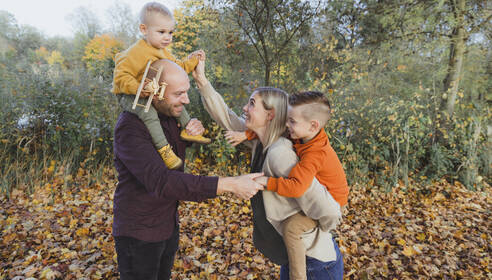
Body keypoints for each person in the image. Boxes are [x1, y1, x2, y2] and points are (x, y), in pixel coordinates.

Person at [112, 59, 264, 280]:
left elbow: (172, 150)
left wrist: (192, 134)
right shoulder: (131, 126)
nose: (186, 99)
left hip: (167, 223)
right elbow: (162, 181)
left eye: (186, 92)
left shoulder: (170, 116)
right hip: (139, 233)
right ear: (155, 92)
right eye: (179, 94)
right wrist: (229, 184)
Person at [192, 60, 344, 279]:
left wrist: (320, 232)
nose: (245, 108)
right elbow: (227, 118)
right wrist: (201, 81)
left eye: (252, 103)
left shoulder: (280, 154)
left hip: (314, 263)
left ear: (270, 115)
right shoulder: (260, 143)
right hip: (293, 258)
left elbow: (329, 210)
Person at [226, 91, 349, 280]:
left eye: (291, 121)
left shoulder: (314, 154)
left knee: (292, 228)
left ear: (313, 125)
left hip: (333, 208)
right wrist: (246, 134)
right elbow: (272, 130)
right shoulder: (303, 135)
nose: (286, 125)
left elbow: (298, 187)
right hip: (308, 257)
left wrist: (268, 182)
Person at [112, 1, 210, 170]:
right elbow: (120, 78)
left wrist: (193, 59)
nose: (168, 37)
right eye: (162, 32)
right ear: (144, 29)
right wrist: (138, 88)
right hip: (128, 95)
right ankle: (164, 150)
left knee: (177, 98)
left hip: (151, 90)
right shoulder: (133, 53)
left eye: (171, 32)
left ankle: (188, 129)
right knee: (147, 111)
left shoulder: (163, 51)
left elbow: (178, 67)